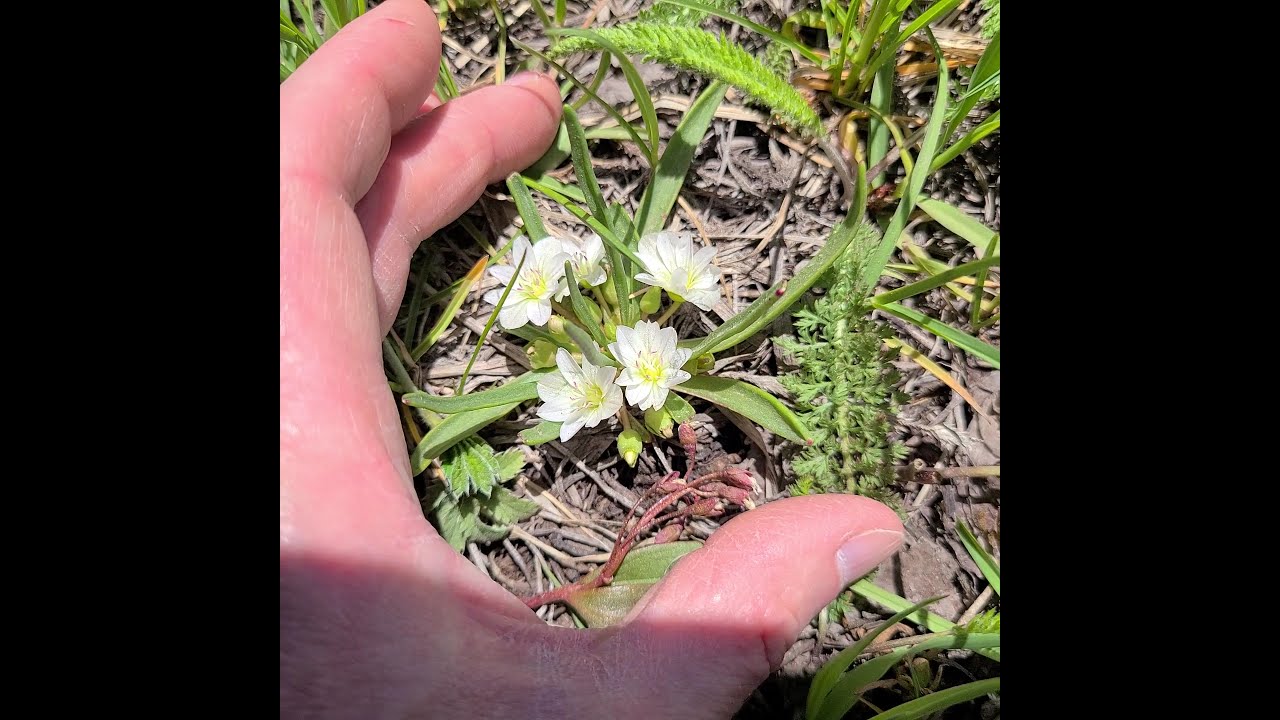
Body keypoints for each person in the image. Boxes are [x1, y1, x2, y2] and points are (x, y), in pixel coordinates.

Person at [279, 0, 906, 716]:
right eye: (633, 382)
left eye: (639, 380)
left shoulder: (646, 336)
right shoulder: (581, 347)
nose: (640, 378)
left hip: (634, 352)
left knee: (647, 341)